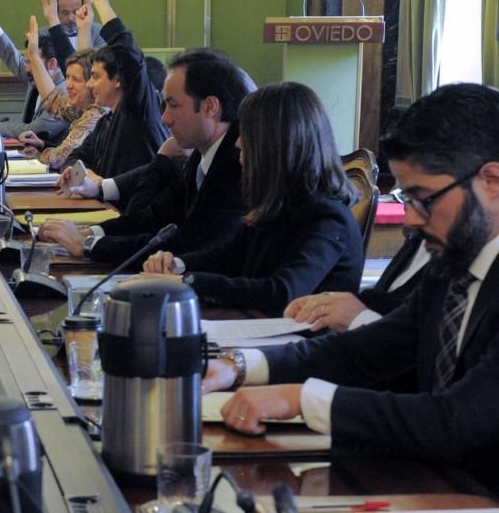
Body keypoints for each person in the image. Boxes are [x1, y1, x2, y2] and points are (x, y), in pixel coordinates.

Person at [203, 83, 499, 494]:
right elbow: (361, 352)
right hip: (433, 484)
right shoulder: (454, 265)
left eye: (424, 198)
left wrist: (302, 399)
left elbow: (455, 421)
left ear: (492, 181)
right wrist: (237, 366)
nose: (411, 221)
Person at [142, 82, 363, 318]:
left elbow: (283, 292)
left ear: (274, 143)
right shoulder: (280, 202)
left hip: (302, 345)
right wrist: (177, 264)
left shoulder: (326, 217)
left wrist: (186, 281)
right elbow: (230, 257)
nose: (237, 143)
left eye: (246, 133)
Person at [41, 48, 251, 264]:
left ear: (209, 107)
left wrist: (88, 245)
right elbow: (155, 216)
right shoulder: (204, 152)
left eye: (174, 105)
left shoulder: (237, 164)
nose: (165, 118)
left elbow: (188, 243)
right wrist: (90, 233)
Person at [62, 0, 167, 179]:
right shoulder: (106, 120)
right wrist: (85, 173)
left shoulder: (137, 110)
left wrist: (101, 2)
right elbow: (76, 156)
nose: (89, 85)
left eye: (96, 77)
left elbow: (127, 51)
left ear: (118, 80)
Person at [285, 230, 430, 332]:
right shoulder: (421, 238)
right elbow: (388, 299)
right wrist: (330, 303)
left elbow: (419, 346)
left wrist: (360, 317)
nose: (409, 219)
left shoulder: (329, 217)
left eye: (421, 198)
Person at [18, 16, 106, 170]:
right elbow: (53, 102)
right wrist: (42, 145)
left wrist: (41, 154)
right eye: (67, 77)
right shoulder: (82, 108)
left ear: (92, 83)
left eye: (76, 80)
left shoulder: (95, 115)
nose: (68, 85)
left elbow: (58, 159)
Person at [0, 0, 69, 142]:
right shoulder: (35, 76)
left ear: (52, 63)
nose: (27, 68)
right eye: (27, 61)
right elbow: (11, 56)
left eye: (32, 61)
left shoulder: (64, 93)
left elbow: (37, 130)